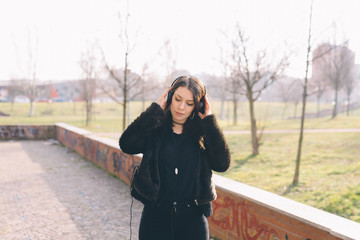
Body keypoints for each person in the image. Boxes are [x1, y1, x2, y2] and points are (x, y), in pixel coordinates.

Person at [119, 75, 231, 240]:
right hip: (155, 218)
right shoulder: (155, 129)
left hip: (193, 221)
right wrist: (154, 111)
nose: (181, 107)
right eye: (177, 99)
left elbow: (222, 164)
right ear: (169, 98)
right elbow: (126, 144)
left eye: (189, 103)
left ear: (197, 106)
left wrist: (209, 122)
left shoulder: (202, 134)